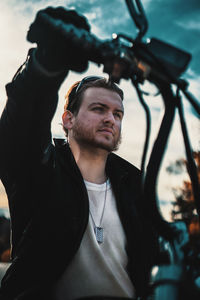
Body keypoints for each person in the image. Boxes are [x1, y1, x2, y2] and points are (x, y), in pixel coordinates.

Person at [0, 7, 158, 300]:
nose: (111, 119)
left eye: (118, 113)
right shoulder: (41, 168)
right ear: (68, 119)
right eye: (98, 109)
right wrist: (45, 68)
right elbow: (20, 129)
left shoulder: (135, 183)